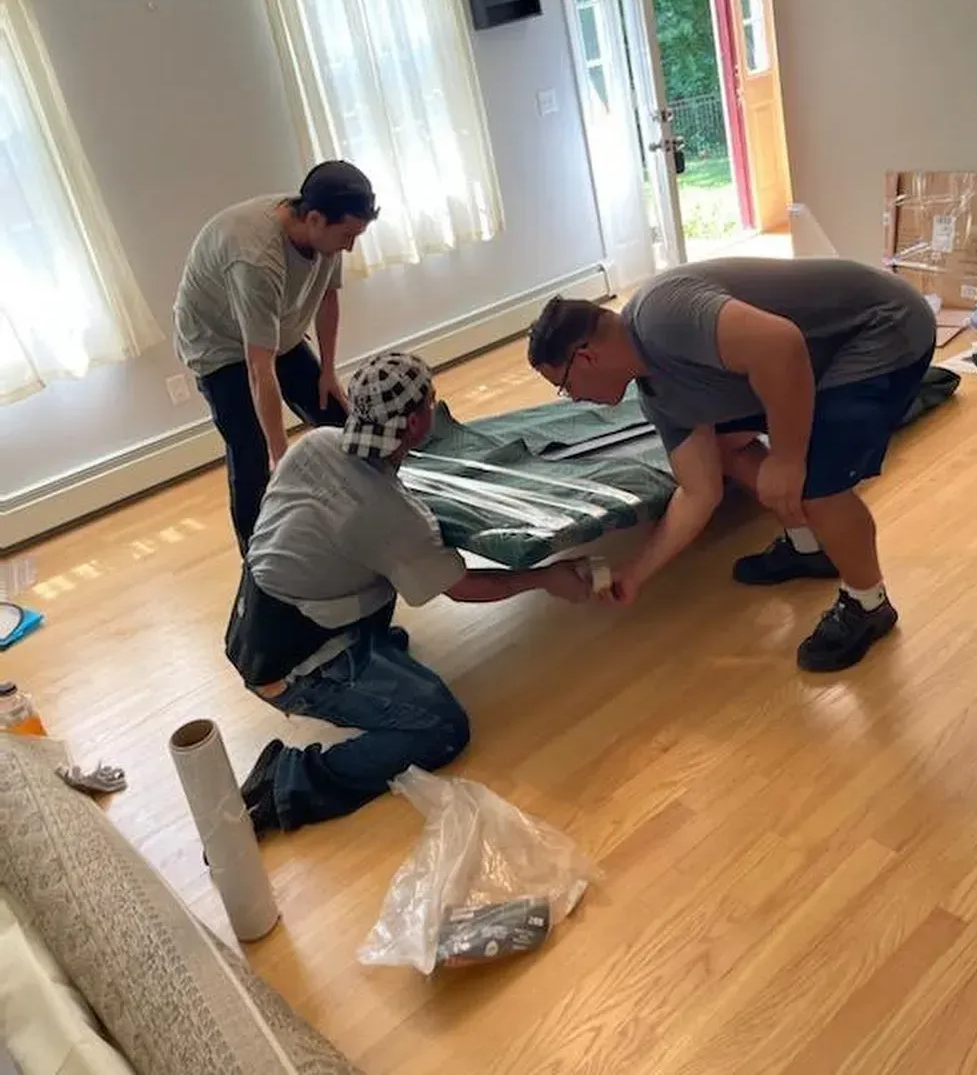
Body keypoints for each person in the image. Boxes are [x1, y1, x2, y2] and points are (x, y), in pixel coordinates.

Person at [226, 351, 593, 836]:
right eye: (431, 404)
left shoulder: (315, 443)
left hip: (251, 626)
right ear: (418, 421)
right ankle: (289, 781)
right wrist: (547, 577)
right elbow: (463, 588)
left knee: (380, 567)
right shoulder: (391, 517)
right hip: (293, 666)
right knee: (440, 728)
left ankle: (369, 657)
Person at [527, 257, 936, 673]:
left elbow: (781, 344)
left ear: (586, 359)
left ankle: (869, 604)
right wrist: (633, 573)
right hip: (819, 363)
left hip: (883, 328)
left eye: (564, 386)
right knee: (723, 447)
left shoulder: (660, 315)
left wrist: (787, 458)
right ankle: (810, 549)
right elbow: (698, 491)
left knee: (817, 486)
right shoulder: (660, 399)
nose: (574, 398)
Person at [174, 161, 378, 553]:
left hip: (274, 329)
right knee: (251, 452)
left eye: (358, 235)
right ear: (314, 219)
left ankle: (368, 511)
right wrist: (281, 452)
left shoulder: (328, 230)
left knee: (338, 415)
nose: (351, 246)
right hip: (219, 346)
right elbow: (258, 368)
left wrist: (328, 373)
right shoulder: (255, 257)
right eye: (348, 235)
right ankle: (256, 555)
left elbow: (327, 297)